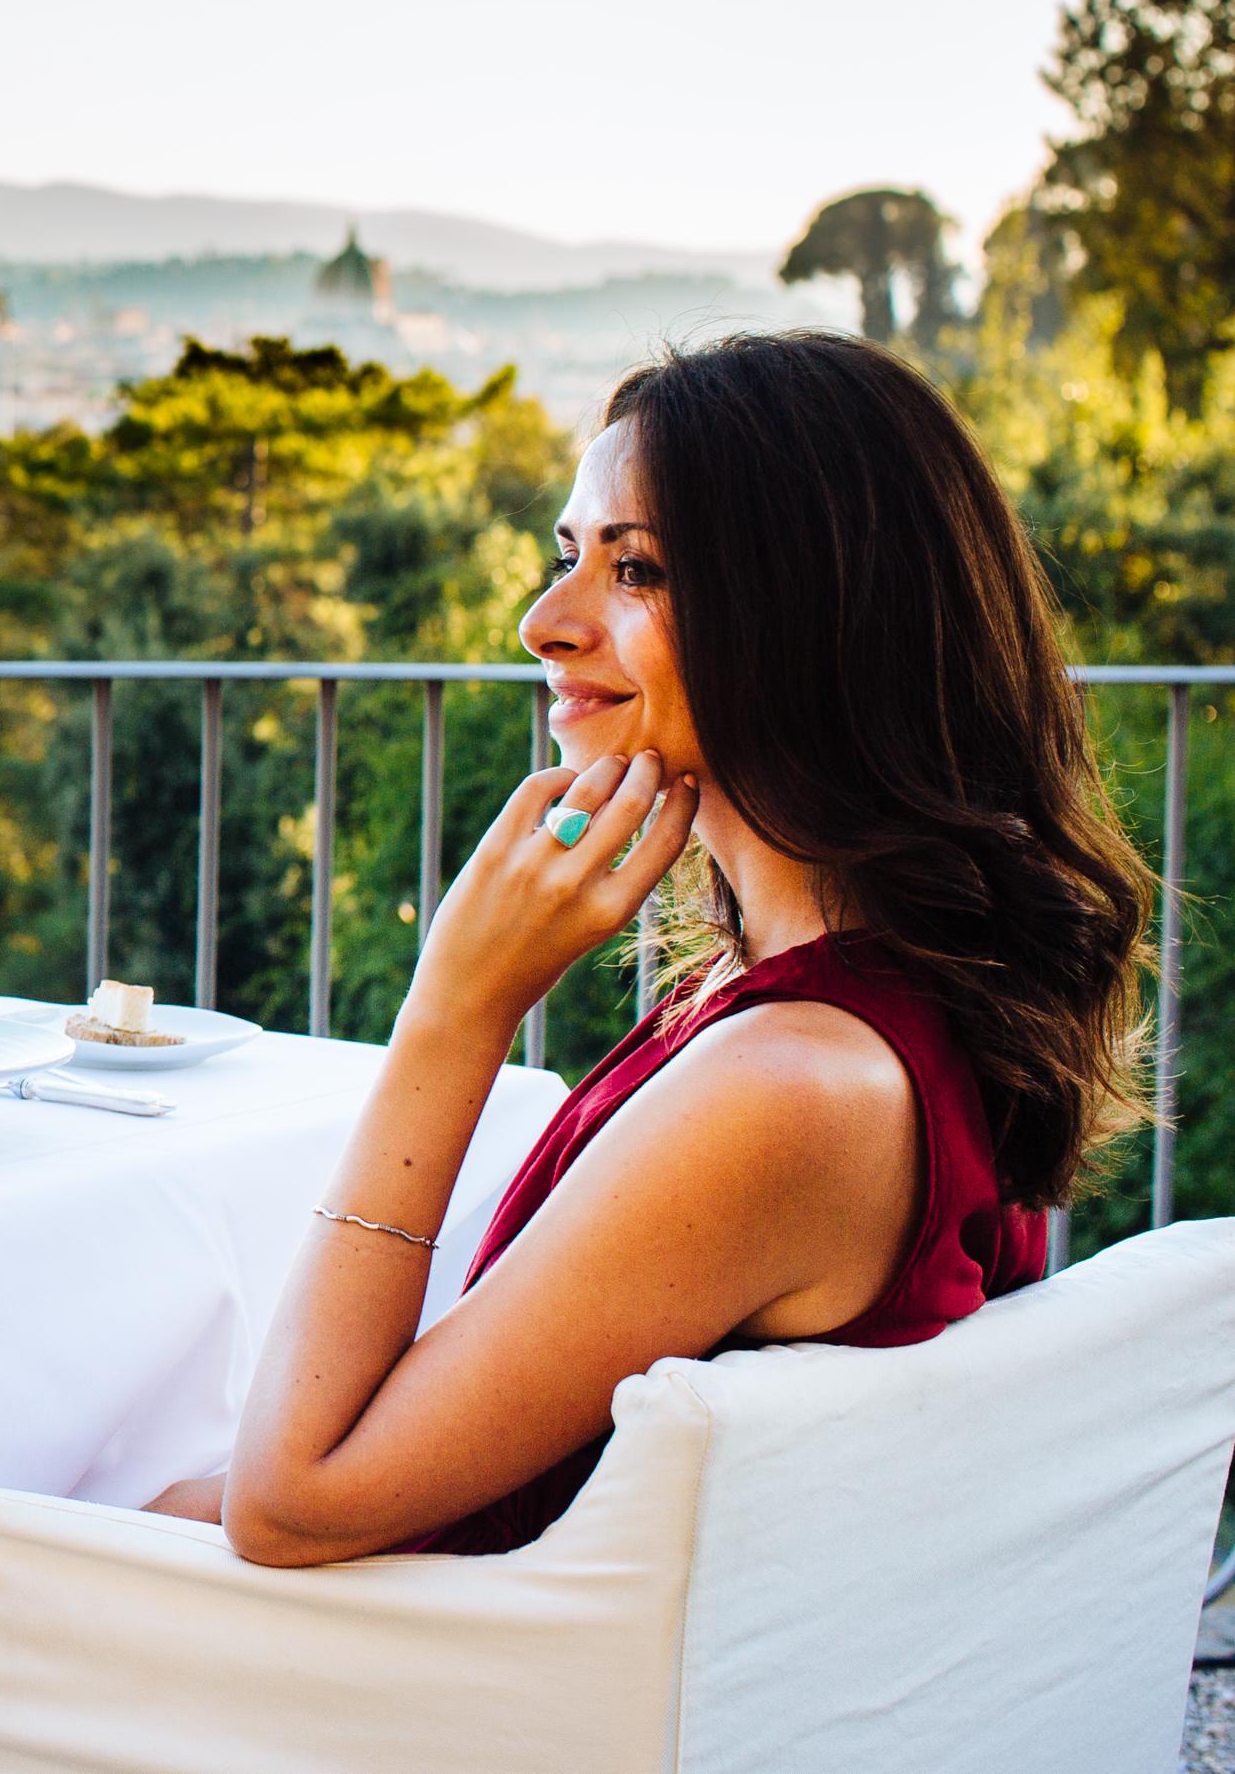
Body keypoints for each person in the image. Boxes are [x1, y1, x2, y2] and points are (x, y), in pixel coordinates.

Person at [150, 328, 1149, 1562]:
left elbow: (292, 1502)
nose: (541, 623)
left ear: (812, 618)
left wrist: (456, 1008)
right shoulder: (834, 1007)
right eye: (569, 556)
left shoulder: (792, 1088)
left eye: (638, 571)